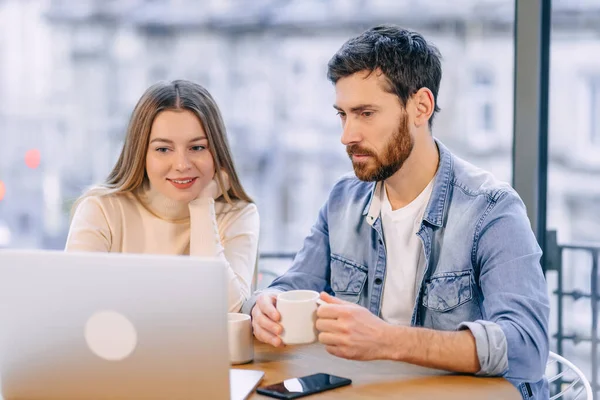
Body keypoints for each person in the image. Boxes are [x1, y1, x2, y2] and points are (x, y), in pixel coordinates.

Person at [242, 25, 549, 399]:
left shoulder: (492, 209)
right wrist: (264, 306)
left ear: (421, 106)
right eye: (343, 114)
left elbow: (526, 347)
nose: (347, 135)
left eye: (366, 113)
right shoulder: (343, 200)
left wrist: (388, 341)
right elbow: (293, 286)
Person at [66, 80, 259, 313]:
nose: (181, 165)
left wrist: (201, 207)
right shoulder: (101, 210)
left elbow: (227, 311)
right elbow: (76, 307)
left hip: (201, 351)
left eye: (197, 147)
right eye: (163, 149)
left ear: (216, 150)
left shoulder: (238, 214)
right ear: (141, 153)